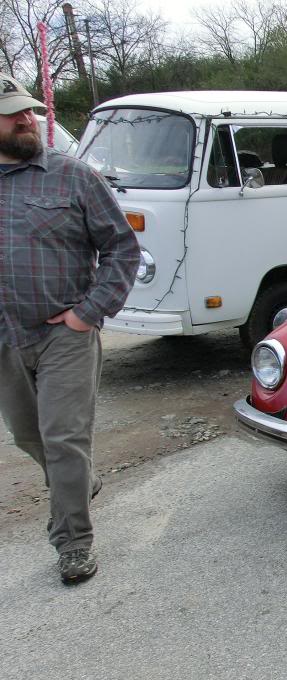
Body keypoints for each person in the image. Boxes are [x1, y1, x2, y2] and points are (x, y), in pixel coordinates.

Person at [0, 74, 140, 582]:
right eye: (12, 112)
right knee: (27, 435)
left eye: (29, 110)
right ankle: (80, 482)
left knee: (63, 437)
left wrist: (89, 312)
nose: (26, 118)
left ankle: (72, 542)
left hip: (65, 334)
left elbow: (123, 248)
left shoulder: (73, 177)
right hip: (4, 339)